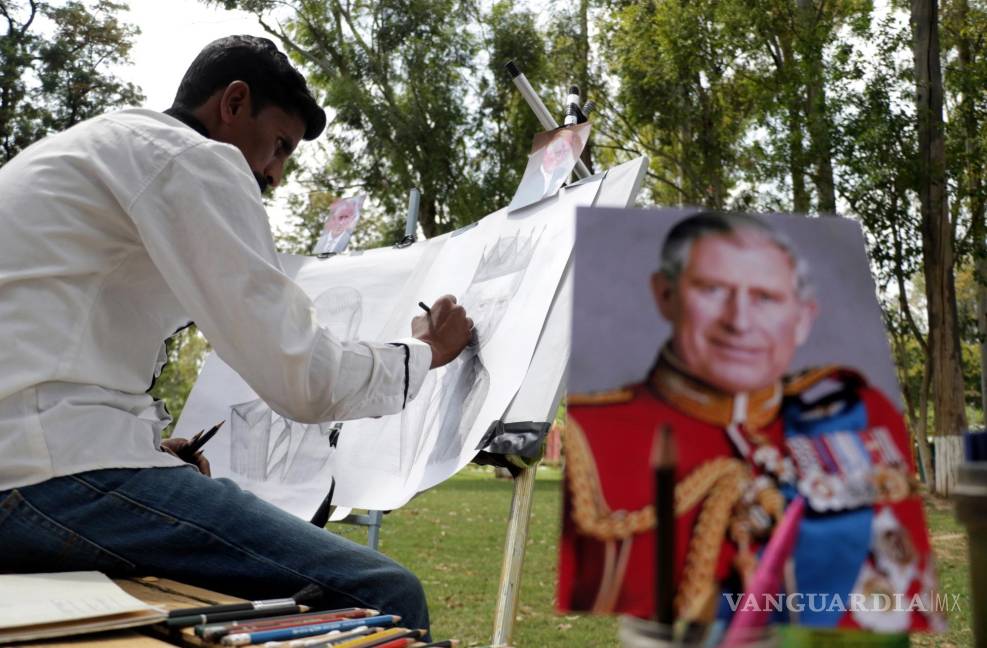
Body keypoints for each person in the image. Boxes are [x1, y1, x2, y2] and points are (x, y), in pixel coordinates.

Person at [0, 35, 473, 633]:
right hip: (46, 479)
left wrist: (141, 448)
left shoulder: (94, 147)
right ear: (234, 102)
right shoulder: (190, 157)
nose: (274, 173)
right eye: (278, 145)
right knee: (382, 591)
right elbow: (303, 377)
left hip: (28, 466)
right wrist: (425, 354)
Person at [558, 212, 942, 633]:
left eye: (766, 297)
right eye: (712, 289)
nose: (739, 321)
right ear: (665, 295)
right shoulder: (597, 437)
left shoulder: (860, 412)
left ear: (803, 317)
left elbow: (905, 589)